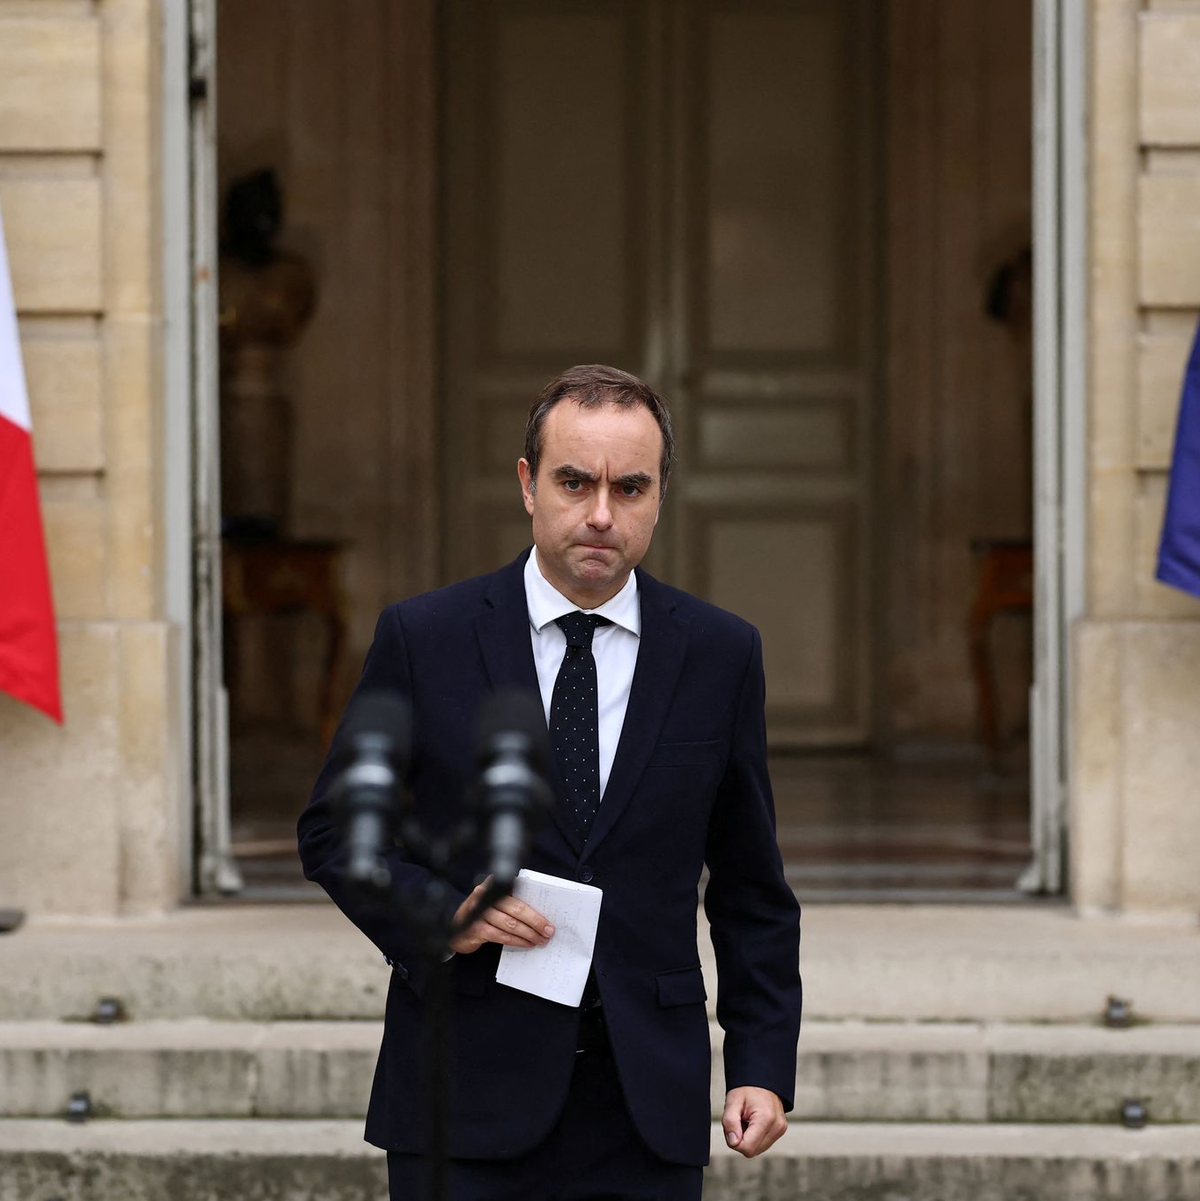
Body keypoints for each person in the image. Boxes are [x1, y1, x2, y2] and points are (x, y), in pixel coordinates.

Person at [298, 364, 802, 1200]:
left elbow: (751, 887)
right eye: (575, 481)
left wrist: (760, 1062)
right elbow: (334, 829)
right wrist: (438, 914)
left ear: (660, 494)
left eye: (629, 487)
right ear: (529, 485)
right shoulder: (426, 638)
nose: (601, 514)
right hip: (462, 1092)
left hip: (646, 1102)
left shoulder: (720, 654)